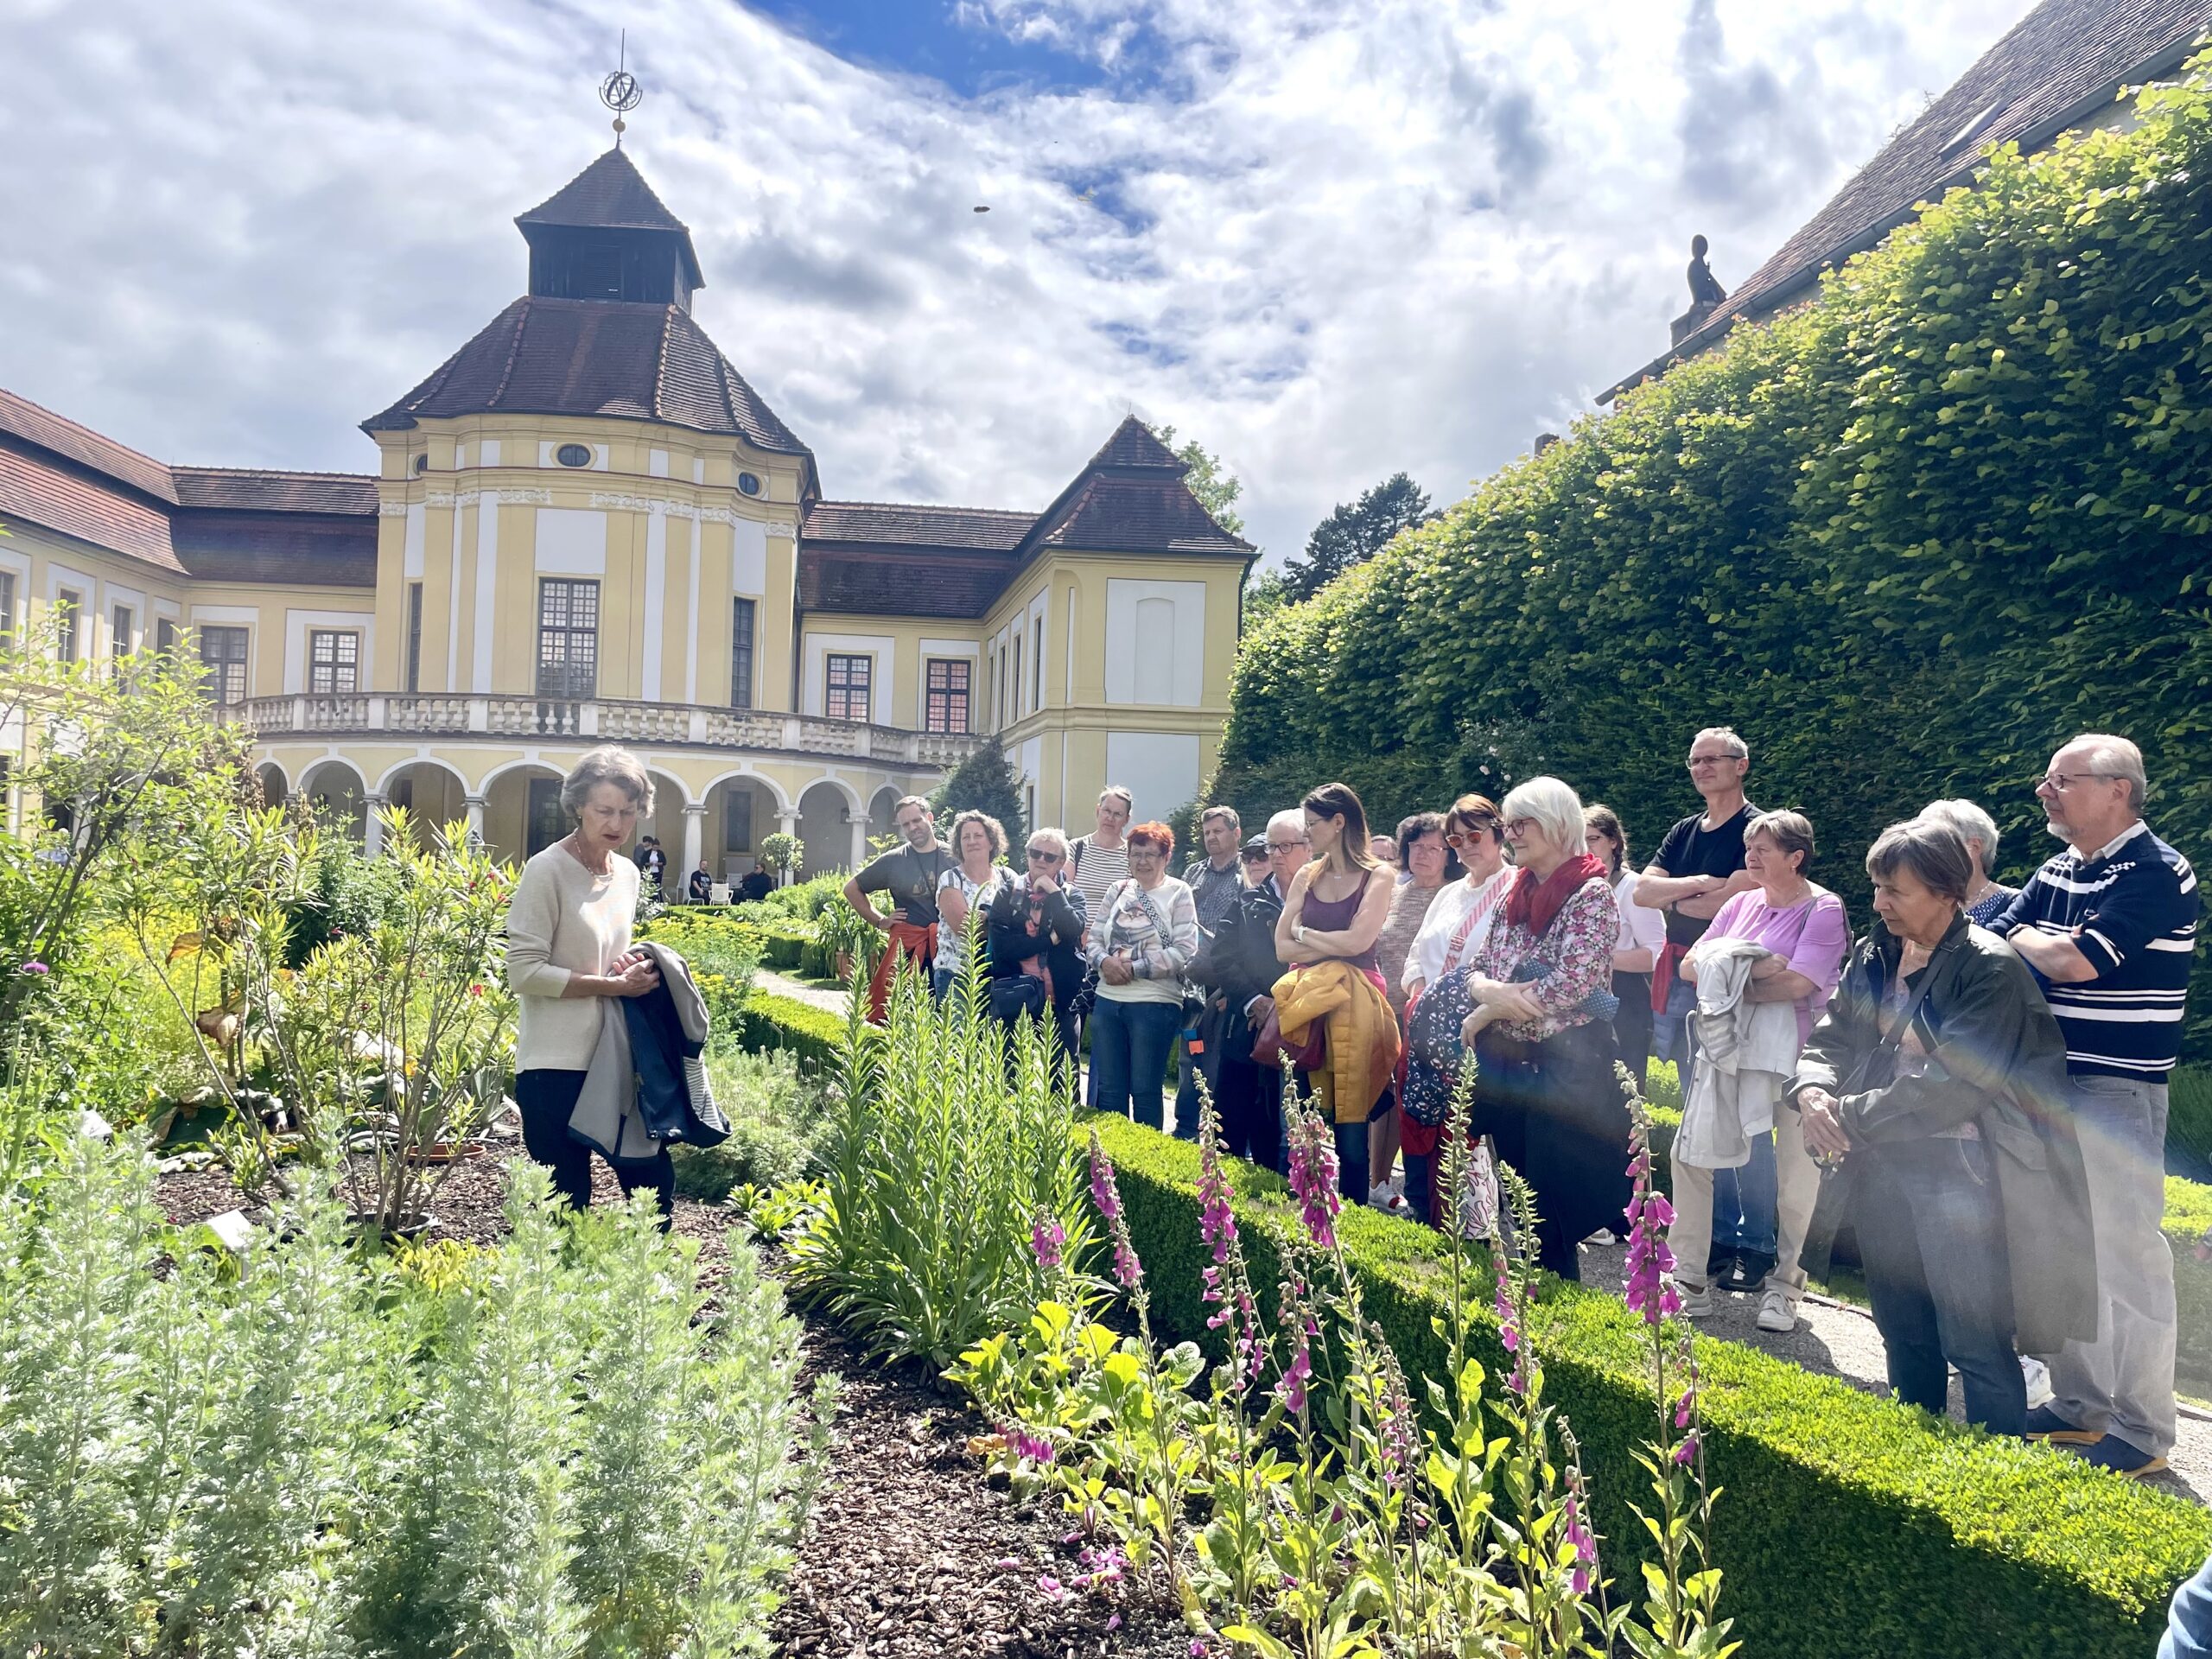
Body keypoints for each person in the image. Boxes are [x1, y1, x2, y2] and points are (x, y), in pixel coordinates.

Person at [1792, 818, 2096, 1437]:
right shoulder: (1876, 949)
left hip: (1963, 1173)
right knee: (1901, 1330)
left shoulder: (1992, 968)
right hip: (1881, 1158)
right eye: (1877, 886)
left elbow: (1953, 1086)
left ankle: (1998, 1481)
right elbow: (1832, 1035)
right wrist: (1812, 1090)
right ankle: (1915, 1463)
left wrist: (1842, 1116)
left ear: (1947, 892)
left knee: (1975, 1341)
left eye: (1895, 890)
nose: (1879, 902)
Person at [1987, 734, 2199, 1477]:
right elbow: (1986, 943)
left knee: (2127, 1260)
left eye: (2061, 780)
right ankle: (2080, 1405)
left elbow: (2077, 961)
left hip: (2115, 1089)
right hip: (2046, 1083)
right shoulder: (2056, 869)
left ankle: (2143, 1431)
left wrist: (2028, 934)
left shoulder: (2158, 872)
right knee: (2058, 1251)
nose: (2043, 791)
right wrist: (2033, 937)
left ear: (2118, 790)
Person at [1669, 810, 1849, 1331]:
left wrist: (1728, 979)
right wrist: (1756, 967)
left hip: (1798, 1058)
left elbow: (1801, 983)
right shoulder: (1740, 902)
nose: (1750, 855)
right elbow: (1688, 965)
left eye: (1763, 848)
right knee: (1691, 1154)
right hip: (1727, 1050)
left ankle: (1786, 1287)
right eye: (1749, 846)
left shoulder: (1824, 908)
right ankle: (1688, 1278)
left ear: (1796, 857)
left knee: (1797, 1176)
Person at [1460, 777, 1626, 1281]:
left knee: (1553, 1198)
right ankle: (1534, 1295)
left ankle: (1556, 1299)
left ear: (1556, 824)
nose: (1510, 834)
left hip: (1566, 1064)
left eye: (1521, 823)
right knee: (1519, 1192)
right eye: (1507, 824)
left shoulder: (1592, 894)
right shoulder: (1514, 890)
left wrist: (1488, 1009)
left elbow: (1570, 983)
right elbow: (1478, 966)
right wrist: (1489, 992)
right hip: (1512, 1063)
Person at [505, 747, 673, 1215]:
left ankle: (650, 1266)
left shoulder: (629, 874)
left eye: (628, 811)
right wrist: (612, 986)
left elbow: (607, 956)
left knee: (653, 1192)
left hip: (616, 1056)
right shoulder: (546, 869)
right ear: (578, 805)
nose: (617, 823)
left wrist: (635, 969)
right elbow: (524, 972)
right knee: (564, 1206)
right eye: (604, 810)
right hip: (553, 1063)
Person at [1635, 728, 1764, 1284]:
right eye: (1695, 761)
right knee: (1696, 1110)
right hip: (1680, 973)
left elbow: (1737, 898)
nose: (1703, 768)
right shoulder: (1683, 831)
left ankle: (1750, 1242)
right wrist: (1703, 886)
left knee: (1737, 1111)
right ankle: (1714, 1238)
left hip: (1729, 982)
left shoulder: (1757, 829)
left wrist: (1678, 895)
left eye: (1714, 758)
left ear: (1742, 765)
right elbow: (1642, 892)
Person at [1274, 783, 1401, 1201]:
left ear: (1339, 822)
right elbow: (1281, 948)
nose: (1307, 833)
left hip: (1358, 1004)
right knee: (1302, 1114)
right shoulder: (1307, 875)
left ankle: (1352, 1214)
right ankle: (1307, 1207)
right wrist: (1335, 945)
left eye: (1312, 824)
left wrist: (1305, 934)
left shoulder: (1379, 874)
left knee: (1352, 1128)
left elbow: (1359, 941)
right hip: (1307, 1005)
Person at [1399, 796, 1516, 1226]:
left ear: (1499, 834)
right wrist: (1422, 998)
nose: (1466, 846)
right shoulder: (1449, 893)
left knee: (1466, 1127)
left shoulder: (1515, 886)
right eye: (1456, 839)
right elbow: (1417, 953)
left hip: (1478, 1031)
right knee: (1419, 1119)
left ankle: (1474, 1225)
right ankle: (1422, 1211)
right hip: (1425, 1029)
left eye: (1474, 836)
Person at [1191, 813, 1308, 1170]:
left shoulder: (1322, 903)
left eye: (1285, 846)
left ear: (1309, 848)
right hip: (1246, 1031)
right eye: (1272, 847)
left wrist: (1286, 1005)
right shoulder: (1248, 901)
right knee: (1231, 1134)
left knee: (1291, 1139)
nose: (1275, 855)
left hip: (1303, 1031)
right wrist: (1254, 1002)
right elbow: (1223, 956)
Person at [1085, 821, 1200, 1129]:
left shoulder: (1178, 892)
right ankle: (1108, 1156)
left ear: (1166, 857)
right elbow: (1093, 941)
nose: (1142, 861)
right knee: (1109, 1092)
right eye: (1136, 854)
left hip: (1155, 1005)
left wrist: (1134, 968)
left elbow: (1184, 950)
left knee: (1145, 1092)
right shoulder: (1117, 890)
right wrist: (1104, 962)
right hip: (1108, 1001)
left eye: (1150, 854)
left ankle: (1144, 1155)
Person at [1369, 812, 1453, 1211]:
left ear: (1449, 854)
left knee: (1418, 1104)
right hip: (1385, 1010)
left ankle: (1436, 1193)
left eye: (1435, 848)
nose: (1424, 854)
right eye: (1417, 846)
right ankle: (1378, 1181)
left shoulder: (1454, 897)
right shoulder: (1393, 894)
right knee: (1384, 1098)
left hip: (1431, 1017)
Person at [985, 827, 1089, 1071]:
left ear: (1061, 863)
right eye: (1035, 853)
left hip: (1061, 999)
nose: (1041, 860)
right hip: (1014, 995)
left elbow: (1073, 929)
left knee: (1063, 1075)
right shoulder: (1008, 893)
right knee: (1009, 1072)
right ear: (1027, 854)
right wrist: (1049, 940)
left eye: (1050, 857)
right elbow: (1004, 948)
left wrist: (1054, 893)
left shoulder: (1071, 895)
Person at [844, 796, 953, 1023]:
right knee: (903, 1017)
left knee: (948, 1018)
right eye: (906, 824)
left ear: (930, 818)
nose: (913, 828)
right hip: (909, 952)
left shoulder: (953, 856)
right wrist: (879, 920)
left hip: (950, 950)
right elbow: (851, 889)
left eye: (917, 820)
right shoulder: (893, 860)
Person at [1174, 805, 1246, 1139]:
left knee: (1217, 1063)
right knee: (1190, 1056)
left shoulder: (1246, 874)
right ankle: (1185, 1126)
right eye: (1206, 832)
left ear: (1236, 833)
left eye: (1218, 831)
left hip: (1224, 986)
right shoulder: (1193, 872)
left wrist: (1234, 989)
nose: (1211, 838)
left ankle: (1216, 1134)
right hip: (1191, 987)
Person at [1585, 804, 1663, 1091]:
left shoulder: (1632, 887)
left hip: (1626, 1000)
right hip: (1583, 995)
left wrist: (1596, 960)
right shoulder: (1576, 887)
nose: (1586, 847)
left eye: (1593, 839)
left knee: (1623, 1092)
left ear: (1614, 842)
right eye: (1579, 840)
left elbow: (1656, 954)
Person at [933, 809, 1009, 1001]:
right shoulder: (951, 879)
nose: (972, 841)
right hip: (956, 974)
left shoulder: (1006, 877)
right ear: (959, 845)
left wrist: (987, 916)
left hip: (996, 973)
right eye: (965, 837)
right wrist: (1001, 922)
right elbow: (964, 928)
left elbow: (1021, 919)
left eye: (978, 836)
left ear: (991, 842)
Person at [1920, 798, 2017, 925]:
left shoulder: (2017, 905)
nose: (1926, 855)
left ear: (1975, 846)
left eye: (1938, 845)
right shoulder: (1918, 904)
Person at [1070, 785, 1134, 937]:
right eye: (1106, 811)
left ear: (1126, 820)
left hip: (1114, 940)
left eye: (1118, 814)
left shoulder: (1133, 855)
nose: (1110, 818)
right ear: (1098, 811)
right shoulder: (1076, 847)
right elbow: (1064, 894)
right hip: (1076, 938)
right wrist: (1080, 933)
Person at [633, 833, 669, 899]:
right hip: (649, 872)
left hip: (658, 872)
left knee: (657, 886)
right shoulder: (647, 853)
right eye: (654, 847)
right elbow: (643, 862)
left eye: (657, 847)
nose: (656, 849)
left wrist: (658, 864)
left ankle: (659, 899)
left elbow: (664, 862)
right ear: (652, 846)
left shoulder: (660, 853)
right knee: (649, 886)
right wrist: (650, 864)